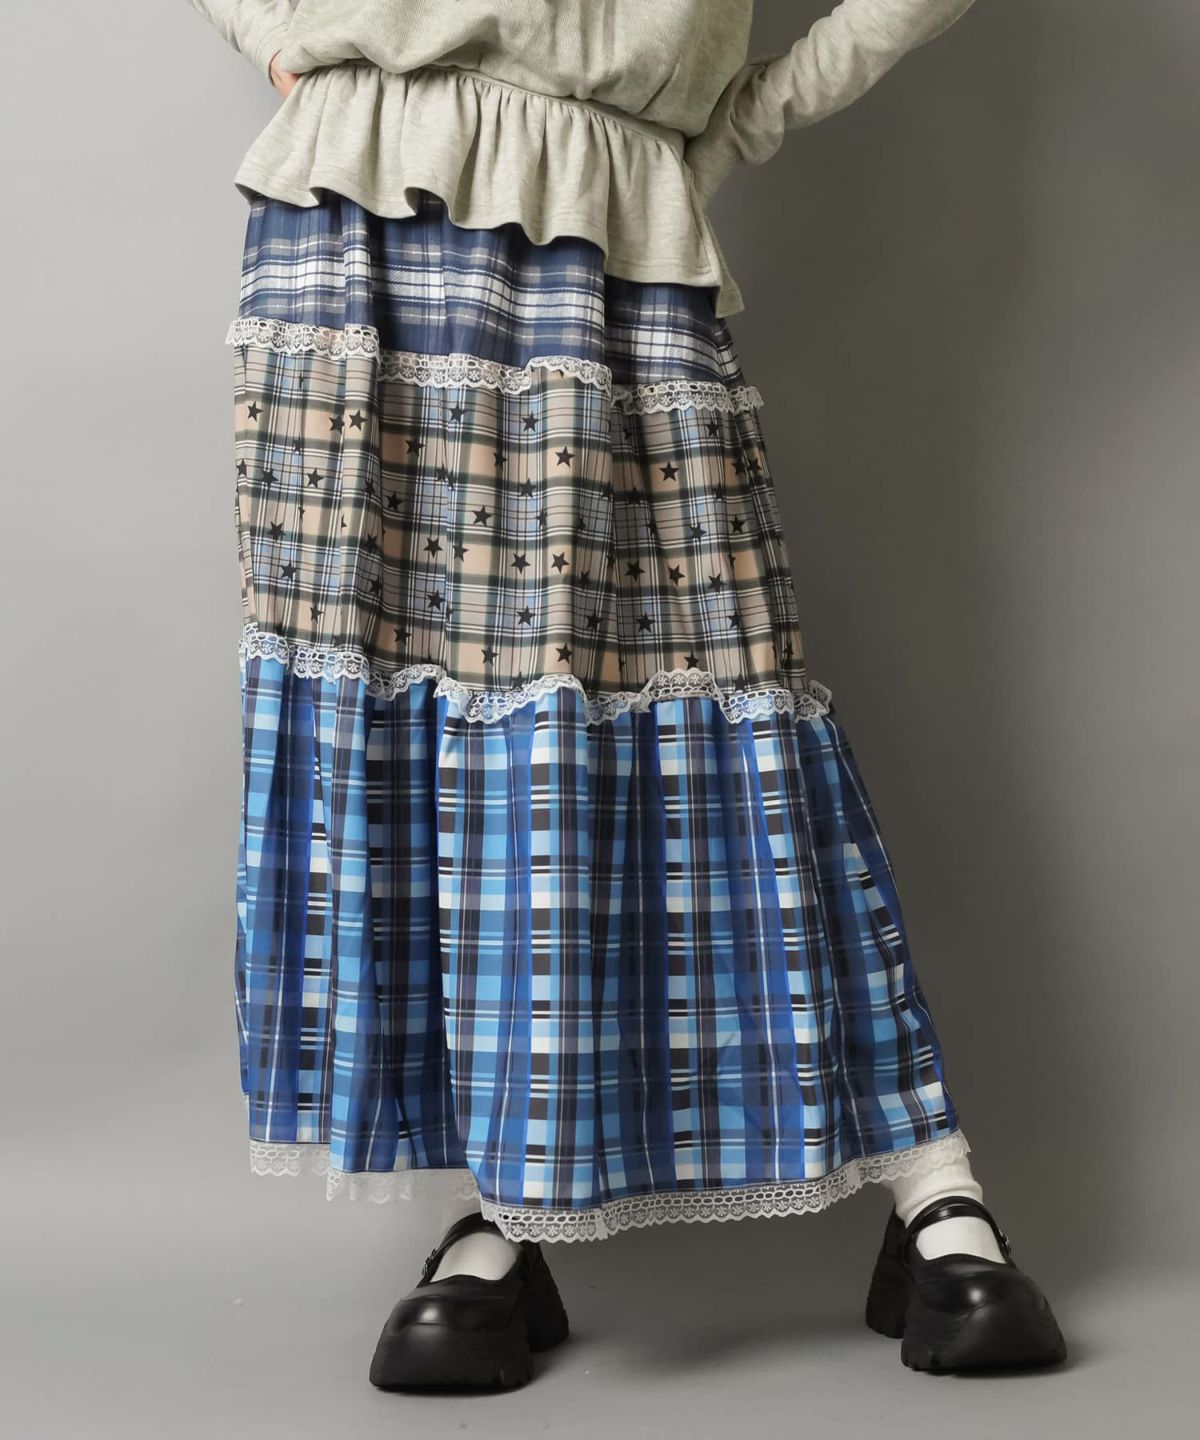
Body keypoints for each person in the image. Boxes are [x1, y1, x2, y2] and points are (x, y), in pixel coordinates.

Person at [192, 0, 1067, 1387]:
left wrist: (735, 124)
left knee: (716, 691)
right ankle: (490, 1207)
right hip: (347, 201)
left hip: (610, 209)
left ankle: (932, 1180)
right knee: (400, 716)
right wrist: (276, 35)